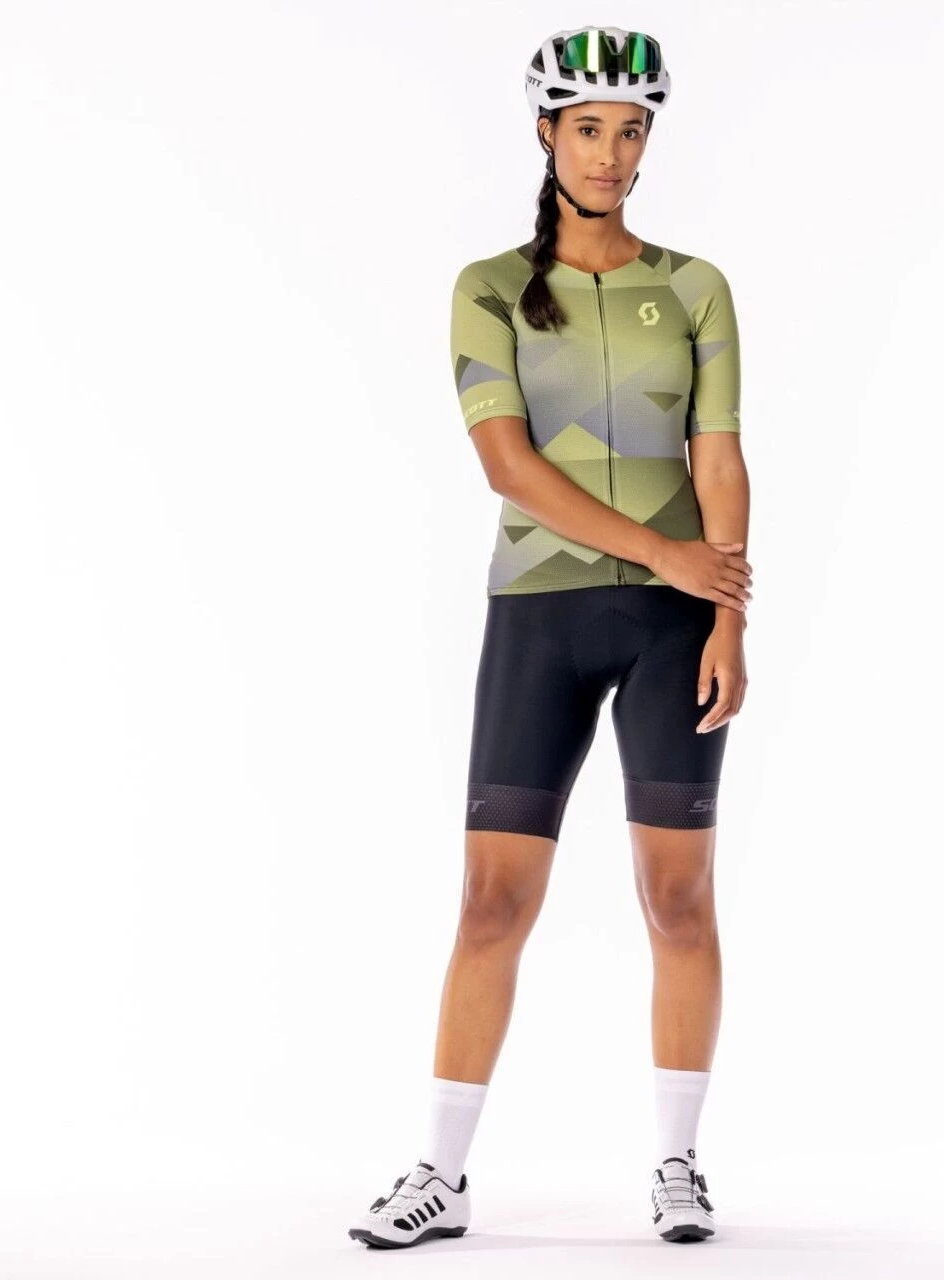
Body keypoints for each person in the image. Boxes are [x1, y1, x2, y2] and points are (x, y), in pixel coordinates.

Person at [349, 25, 752, 1249]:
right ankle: (440, 1171)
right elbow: (507, 467)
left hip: (674, 626)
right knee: (491, 898)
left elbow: (718, 458)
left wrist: (726, 612)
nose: (609, 154)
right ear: (544, 132)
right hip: (539, 614)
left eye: (630, 130)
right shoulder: (487, 287)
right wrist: (667, 554)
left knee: (676, 897)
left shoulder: (695, 286)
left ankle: (677, 1164)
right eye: (586, 128)